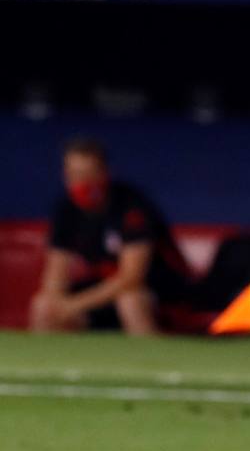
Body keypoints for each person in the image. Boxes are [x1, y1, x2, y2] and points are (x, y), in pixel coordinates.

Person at [30, 137, 190, 336]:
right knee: (43, 305)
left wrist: (74, 305)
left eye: (89, 174)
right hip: (102, 292)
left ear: (105, 172)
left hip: (158, 291)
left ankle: (155, 363)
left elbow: (131, 278)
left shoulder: (131, 206)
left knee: (130, 300)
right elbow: (55, 273)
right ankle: (51, 366)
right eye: (75, 174)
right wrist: (56, 302)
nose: (82, 182)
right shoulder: (66, 209)